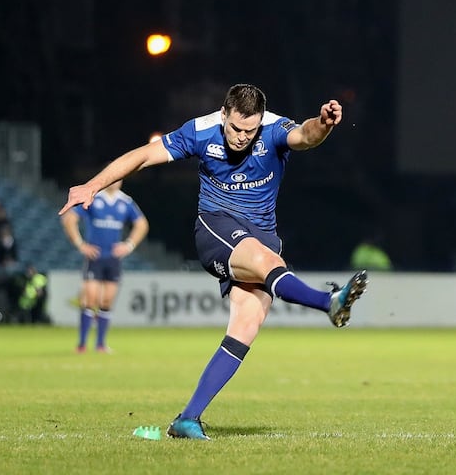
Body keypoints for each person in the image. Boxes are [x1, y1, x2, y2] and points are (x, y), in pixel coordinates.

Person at [58, 83, 369, 441]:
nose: (241, 137)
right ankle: (328, 302)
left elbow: (305, 136)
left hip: (262, 233)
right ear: (224, 114)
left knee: (246, 324)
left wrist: (324, 124)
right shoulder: (200, 131)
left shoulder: (274, 128)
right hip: (217, 227)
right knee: (267, 261)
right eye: (236, 128)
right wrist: (92, 185)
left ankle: (187, 419)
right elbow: (142, 156)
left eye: (249, 131)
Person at [60, 179, 149, 354]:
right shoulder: (94, 198)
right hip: (95, 257)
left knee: (107, 301)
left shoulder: (125, 201)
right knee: (90, 299)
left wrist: (129, 245)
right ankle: (82, 344)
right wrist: (80, 244)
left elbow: (142, 224)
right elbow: (69, 219)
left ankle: (100, 344)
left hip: (113, 259)